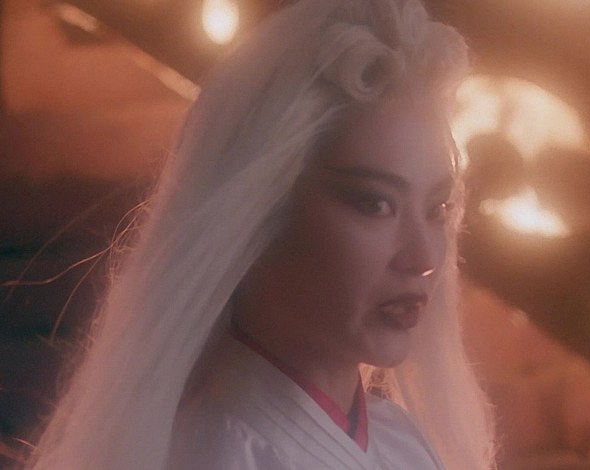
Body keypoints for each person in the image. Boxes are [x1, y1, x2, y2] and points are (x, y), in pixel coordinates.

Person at [24, 0, 497, 469]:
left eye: (437, 208)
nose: (423, 257)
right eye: (374, 204)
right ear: (260, 212)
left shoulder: (400, 441)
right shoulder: (215, 454)